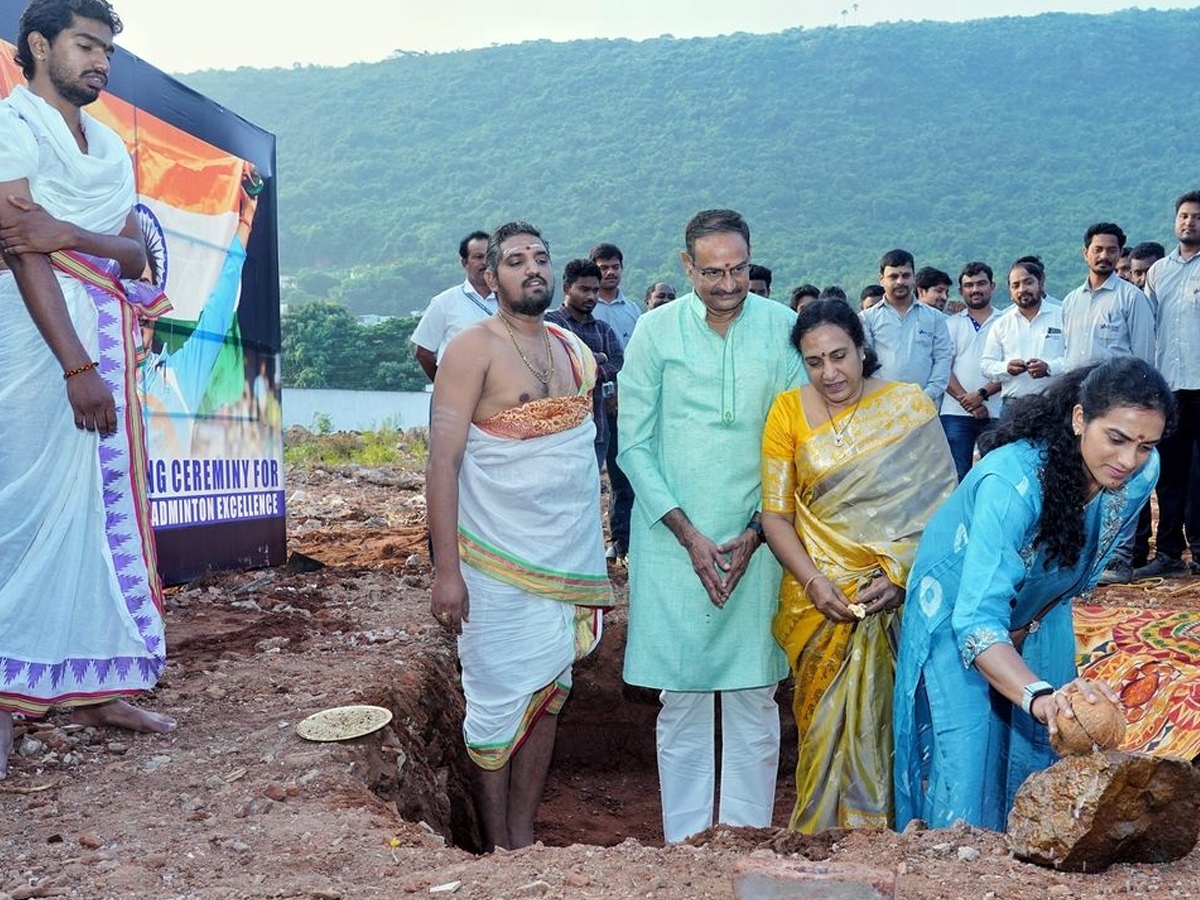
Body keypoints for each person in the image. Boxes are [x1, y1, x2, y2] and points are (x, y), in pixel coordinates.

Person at [0, 0, 176, 780]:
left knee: (97, 517)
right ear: (38, 45)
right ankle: (5, 696)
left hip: (105, 331)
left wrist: (69, 232)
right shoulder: (12, 125)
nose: (101, 61)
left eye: (107, 49)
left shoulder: (107, 142)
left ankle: (97, 685)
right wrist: (76, 369)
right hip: (37, 345)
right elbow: (18, 250)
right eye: (86, 45)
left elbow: (136, 254)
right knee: (23, 509)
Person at [893, 357, 1173, 831]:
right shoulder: (1012, 483)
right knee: (966, 765)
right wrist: (1038, 695)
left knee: (1045, 755)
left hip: (1042, 613)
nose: (1129, 460)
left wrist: (1028, 630)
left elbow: (1074, 569)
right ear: (1080, 418)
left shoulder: (1143, 473)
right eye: (1117, 439)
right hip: (958, 612)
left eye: (1145, 445)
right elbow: (978, 620)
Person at [426, 221, 613, 850]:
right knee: (497, 704)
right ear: (489, 275)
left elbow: (578, 467)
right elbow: (442, 463)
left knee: (550, 693)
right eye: (514, 261)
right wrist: (446, 572)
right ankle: (493, 844)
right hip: (492, 564)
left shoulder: (572, 351)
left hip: (565, 563)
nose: (531, 268)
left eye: (540, 258)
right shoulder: (470, 348)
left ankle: (523, 835)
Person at [619, 208, 803, 844]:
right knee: (685, 698)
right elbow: (634, 445)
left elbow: (793, 443)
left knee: (756, 697)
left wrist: (757, 531)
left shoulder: (783, 329)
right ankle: (687, 847)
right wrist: (689, 535)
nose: (729, 284)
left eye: (740, 269)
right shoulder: (654, 331)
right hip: (673, 540)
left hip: (763, 536)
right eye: (713, 272)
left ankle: (746, 842)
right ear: (686, 266)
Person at [761, 300, 956, 832]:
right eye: (815, 361)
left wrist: (899, 574)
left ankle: (882, 841)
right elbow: (775, 516)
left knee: (887, 728)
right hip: (816, 603)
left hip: (894, 600)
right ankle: (818, 842)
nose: (830, 373)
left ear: (862, 349)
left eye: (840, 355)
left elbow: (943, 510)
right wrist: (815, 580)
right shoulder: (787, 412)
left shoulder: (908, 407)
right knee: (821, 730)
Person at [1061, 223, 1156, 585]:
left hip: (1120, 408)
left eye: (1111, 250)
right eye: (1097, 249)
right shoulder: (1071, 301)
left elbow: (1144, 358)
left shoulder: (1132, 299)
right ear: (1085, 252)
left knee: (1120, 478)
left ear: (1120, 254)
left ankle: (1118, 559)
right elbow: (1069, 357)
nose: (1104, 256)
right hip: (1082, 407)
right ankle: (1079, 556)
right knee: (1081, 479)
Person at [1135, 191, 1200, 580]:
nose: (1189, 222)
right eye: (1184, 216)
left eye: (1196, 217)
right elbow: (1148, 327)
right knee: (1170, 473)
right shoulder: (1158, 271)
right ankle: (1170, 552)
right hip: (1170, 389)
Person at [546, 258, 623, 469]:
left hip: (596, 426)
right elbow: (560, 363)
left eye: (595, 291)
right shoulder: (551, 324)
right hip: (559, 431)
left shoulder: (603, 329)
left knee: (589, 494)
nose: (591, 296)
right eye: (584, 289)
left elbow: (618, 362)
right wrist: (597, 359)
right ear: (566, 288)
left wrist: (591, 368)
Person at [589, 242, 639, 563]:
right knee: (588, 474)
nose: (609, 272)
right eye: (603, 267)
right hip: (592, 406)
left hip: (628, 405)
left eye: (615, 266)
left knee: (623, 475)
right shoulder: (586, 308)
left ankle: (622, 543)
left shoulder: (633, 311)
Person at [861, 249, 953, 404]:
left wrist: (928, 395)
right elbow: (864, 364)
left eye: (905, 275)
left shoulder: (935, 318)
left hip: (925, 405)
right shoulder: (867, 319)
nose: (900, 281)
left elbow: (943, 359)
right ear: (881, 279)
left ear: (914, 278)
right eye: (893, 276)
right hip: (881, 406)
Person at [939, 262, 1002, 480]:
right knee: (957, 475)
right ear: (961, 291)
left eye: (981, 283)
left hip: (996, 410)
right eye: (969, 285)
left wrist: (981, 396)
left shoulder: (1006, 321)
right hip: (955, 412)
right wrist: (968, 402)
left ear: (992, 286)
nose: (975, 289)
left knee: (994, 474)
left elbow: (1011, 368)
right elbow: (943, 368)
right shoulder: (950, 324)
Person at [410, 230, 496, 382]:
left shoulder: (511, 301)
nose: (485, 262)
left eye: (490, 256)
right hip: (458, 396)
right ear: (464, 262)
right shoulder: (444, 302)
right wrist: (445, 387)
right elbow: (423, 352)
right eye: (478, 257)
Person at [980, 259, 1064, 408]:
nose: (1022, 289)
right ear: (1010, 293)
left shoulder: (1063, 316)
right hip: (1013, 405)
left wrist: (1049, 368)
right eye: (1015, 285)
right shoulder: (1001, 324)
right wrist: (1007, 368)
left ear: (1041, 284)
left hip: (1053, 403)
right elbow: (986, 365)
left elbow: (1076, 359)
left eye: (1028, 282)